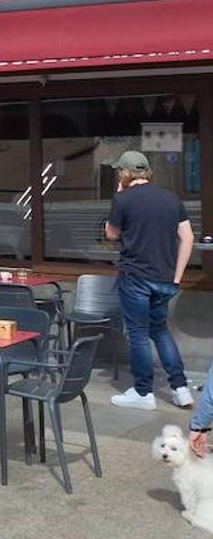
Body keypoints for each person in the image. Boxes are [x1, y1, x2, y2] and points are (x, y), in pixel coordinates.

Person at [106, 151, 194, 411]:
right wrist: (177, 275)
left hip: (135, 277)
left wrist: (120, 192)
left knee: (138, 335)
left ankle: (143, 392)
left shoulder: (122, 199)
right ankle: (180, 388)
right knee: (160, 330)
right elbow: (187, 238)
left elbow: (111, 234)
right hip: (166, 279)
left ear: (123, 173)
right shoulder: (170, 198)